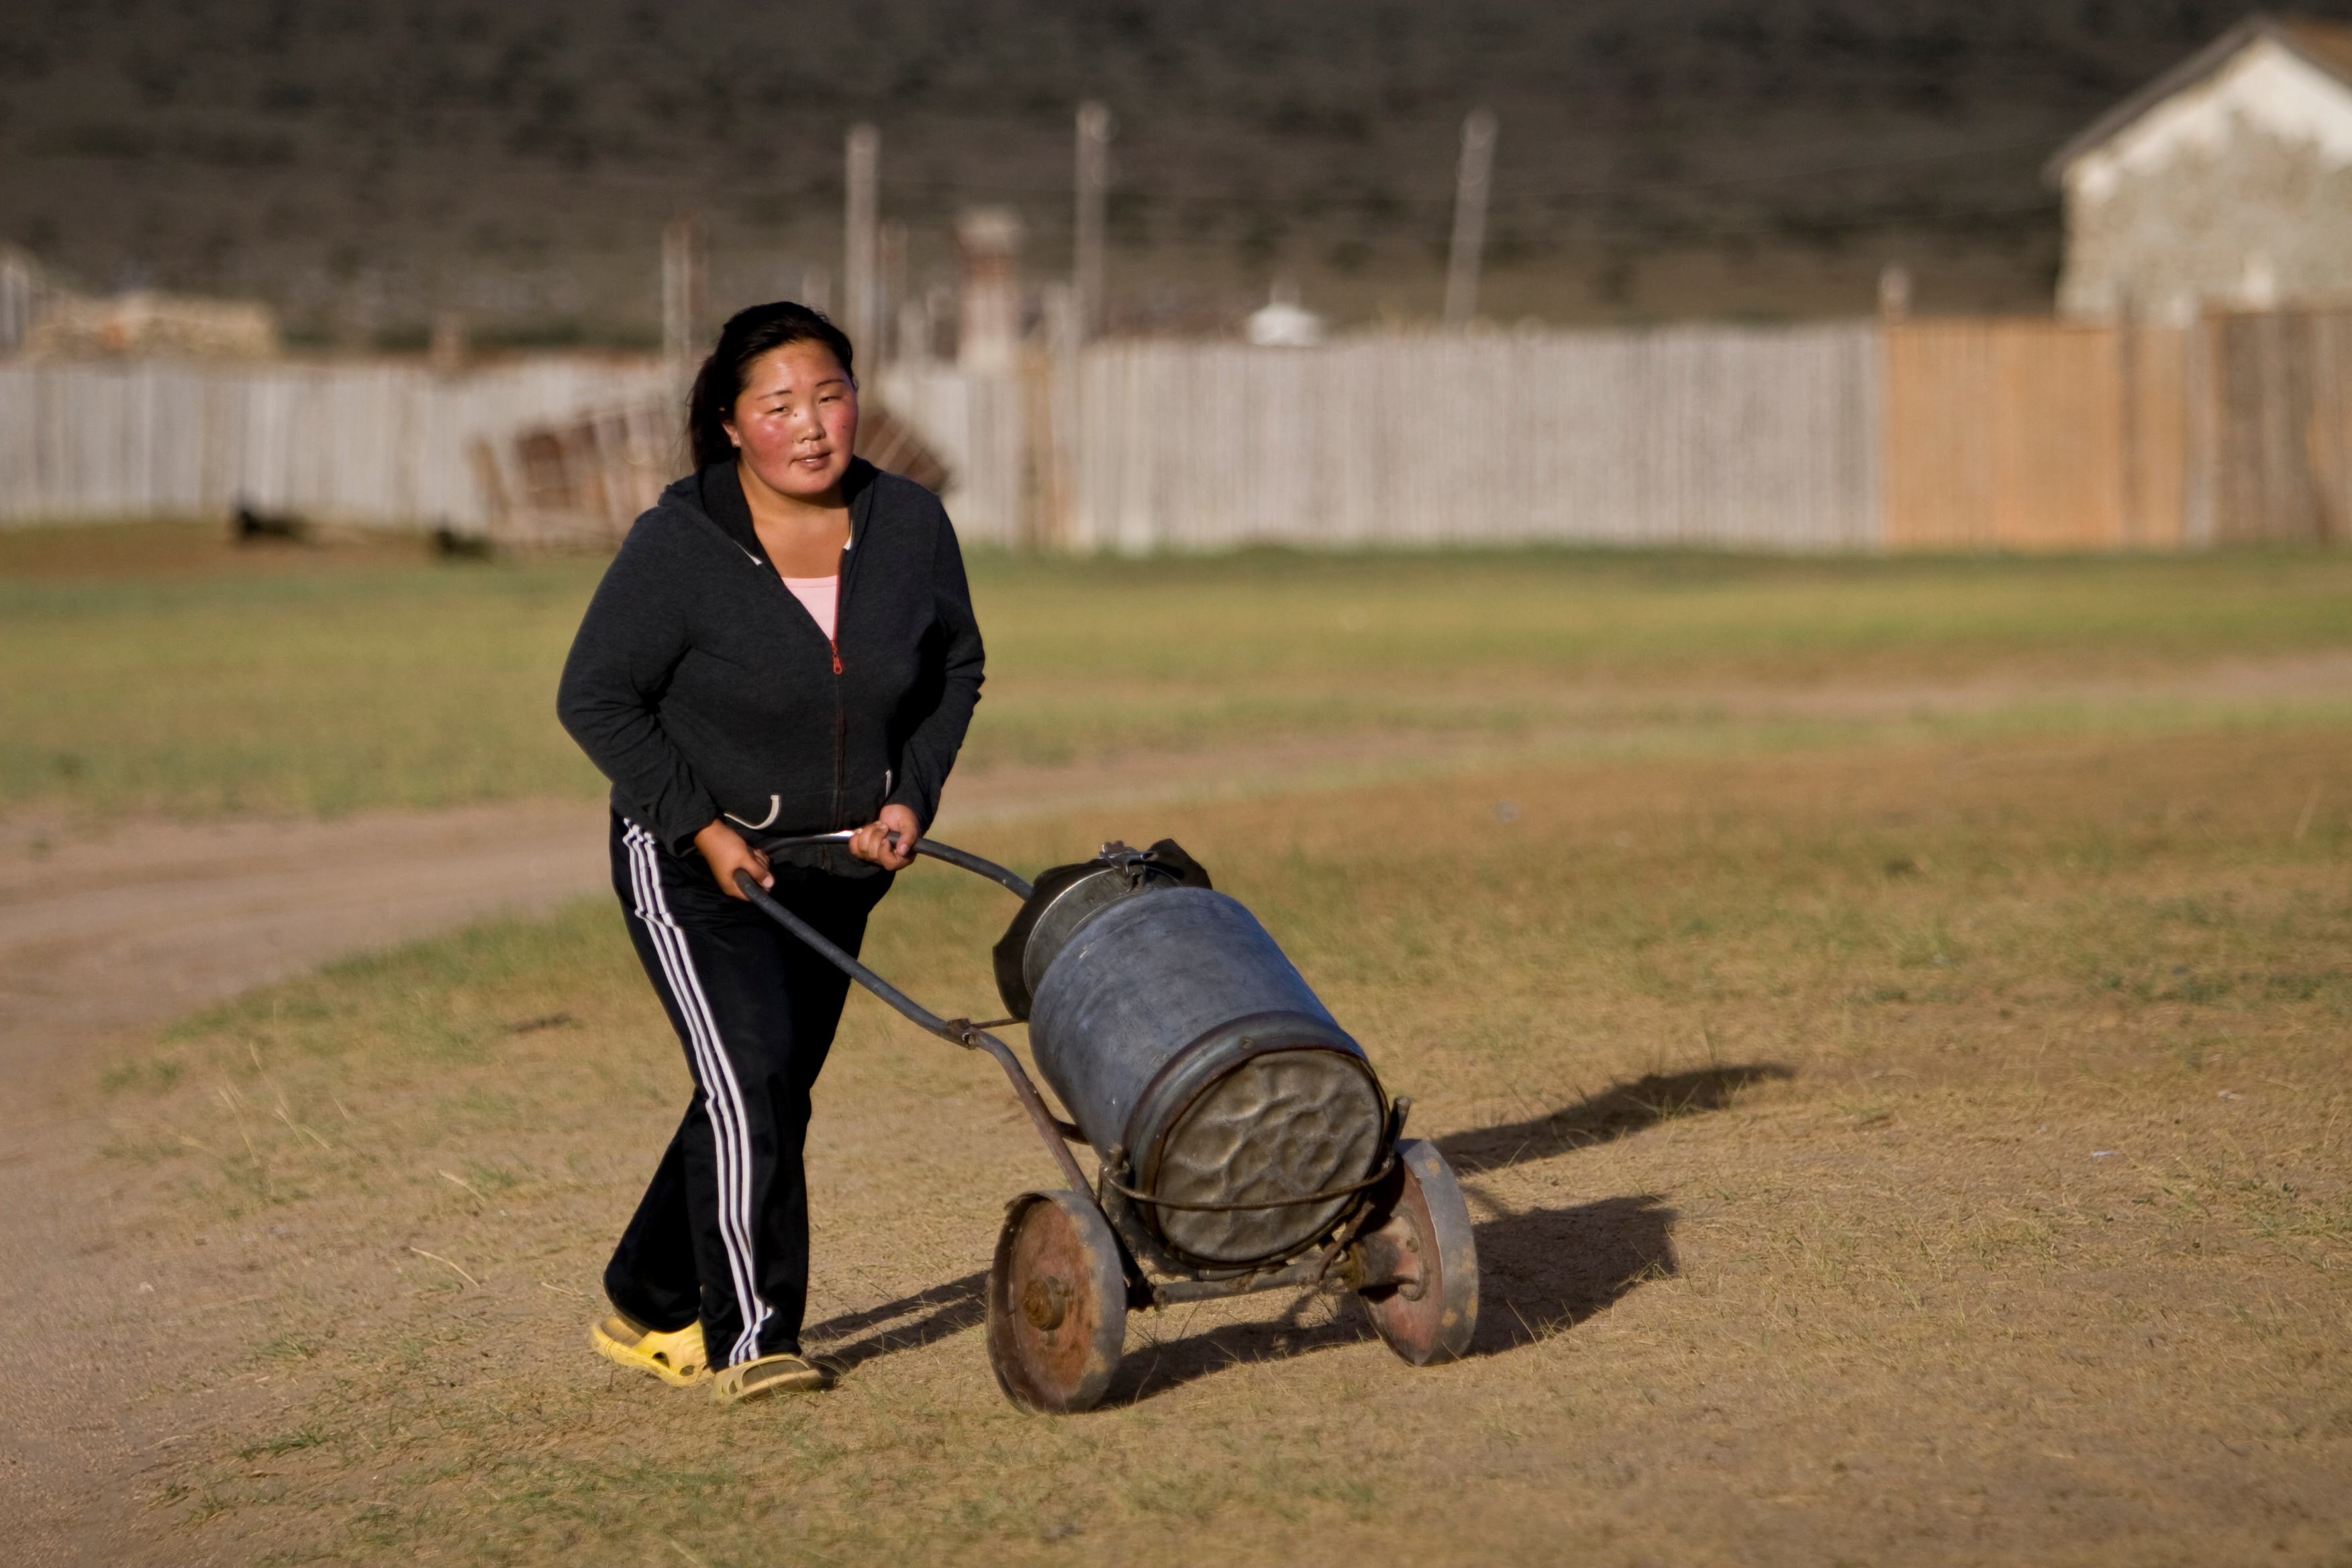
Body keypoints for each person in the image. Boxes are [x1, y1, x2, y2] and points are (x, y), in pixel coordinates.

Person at [556, 301, 984, 1403]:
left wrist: (912, 798)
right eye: (778, 405)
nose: (811, 425)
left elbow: (954, 672)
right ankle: (753, 1342)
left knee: (765, 1090)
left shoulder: (911, 526)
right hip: (693, 861)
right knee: (749, 1084)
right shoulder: (680, 545)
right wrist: (698, 826)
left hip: (839, 863)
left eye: (830, 396)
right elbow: (596, 698)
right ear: (730, 422)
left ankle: (649, 1294)